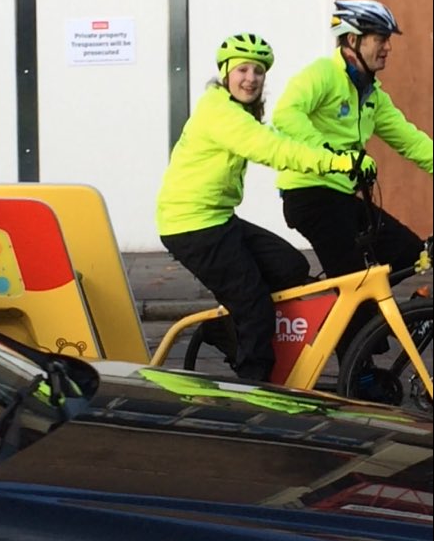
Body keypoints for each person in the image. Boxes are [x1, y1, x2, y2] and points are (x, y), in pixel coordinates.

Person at [156, 31, 367, 383]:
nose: (251, 79)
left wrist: (336, 154)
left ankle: (230, 328)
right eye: (242, 70)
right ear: (226, 74)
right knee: (254, 307)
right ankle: (254, 388)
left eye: (258, 71)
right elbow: (271, 149)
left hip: (218, 219)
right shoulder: (220, 113)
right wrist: (337, 163)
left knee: (290, 266)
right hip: (191, 226)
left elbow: (280, 140)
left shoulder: (239, 111)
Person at [272, 0, 433, 383]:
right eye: (380, 38)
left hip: (344, 198)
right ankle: (357, 372)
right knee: (351, 280)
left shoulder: (372, 94)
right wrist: (331, 154)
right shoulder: (323, 75)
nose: (388, 47)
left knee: (406, 250)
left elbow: (411, 141)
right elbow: (285, 114)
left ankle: (366, 322)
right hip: (310, 196)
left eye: (388, 39)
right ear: (351, 40)